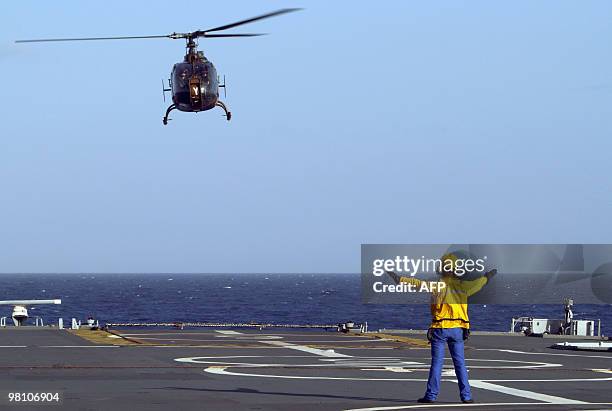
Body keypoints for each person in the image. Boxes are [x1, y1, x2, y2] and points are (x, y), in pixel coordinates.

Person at [387, 253, 496, 404]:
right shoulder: (464, 286)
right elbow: (479, 283)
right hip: (458, 329)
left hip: (440, 328)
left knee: (437, 363)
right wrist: (488, 276)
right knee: (460, 364)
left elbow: (417, 283)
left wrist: (398, 278)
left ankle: (431, 396)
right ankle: (466, 396)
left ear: (441, 268)